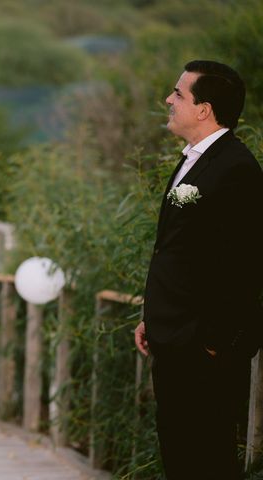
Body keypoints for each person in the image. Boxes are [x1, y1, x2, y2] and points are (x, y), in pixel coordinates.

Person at [134, 60, 263, 479]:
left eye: (178, 94)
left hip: (202, 349)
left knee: (208, 459)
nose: (168, 101)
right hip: (172, 336)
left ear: (204, 109)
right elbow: (177, 251)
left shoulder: (237, 169)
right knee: (180, 453)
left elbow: (244, 264)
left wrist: (211, 341)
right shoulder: (193, 160)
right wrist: (151, 315)